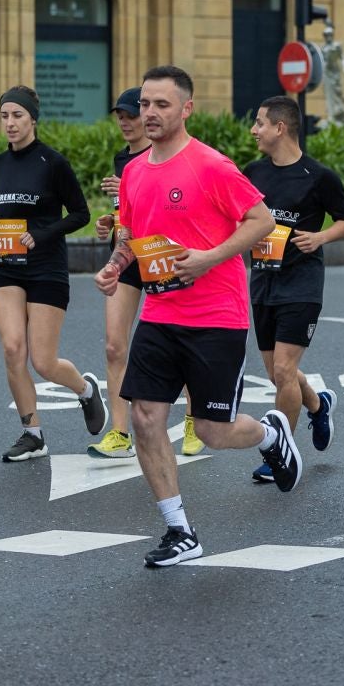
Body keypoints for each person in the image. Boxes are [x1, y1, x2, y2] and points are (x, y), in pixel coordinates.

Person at [95, 65, 301, 568]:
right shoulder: (134, 172)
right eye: (145, 104)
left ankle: (273, 434)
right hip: (161, 312)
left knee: (213, 430)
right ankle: (179, 530)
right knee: (145, 417)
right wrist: (115, 264)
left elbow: (262, 220)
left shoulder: (211, 166)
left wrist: (210, 257)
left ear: (186, 109)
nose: (149, 113)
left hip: (216, 316)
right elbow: (132, 238)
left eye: (161, 104)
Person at [0, 85, 106, 461]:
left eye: (17, 116)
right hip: (6, 267)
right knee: (12, 349)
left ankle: (86, 390)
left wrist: (40, 236)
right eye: (5, 116)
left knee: (43, 361)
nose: (10, 123)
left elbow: (80, 214)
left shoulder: (53, 163)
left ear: (33, 120)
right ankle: (33, 433)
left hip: (45, 269)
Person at [244, 95, 344, 483]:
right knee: (278, 376)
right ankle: (318, 404)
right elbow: (237, 217)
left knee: (284, 368)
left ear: (280, 128)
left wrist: (320, 237)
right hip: (262, 280)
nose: (254, 130)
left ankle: (280, 451)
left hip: (303, 282)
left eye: (259, 123)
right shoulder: (253, 172)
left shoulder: (319, 176)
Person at [88, 87, 202, 459]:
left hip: (160, 257)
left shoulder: (167, 156)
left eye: (130, 114)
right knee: (113, 344)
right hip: (126, 258)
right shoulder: (122, 160)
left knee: (178, 344)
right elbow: (129, 214)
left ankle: (192, 420)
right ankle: (120, 433)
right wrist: (109, 220)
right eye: (119, 115)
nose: (124, 121)